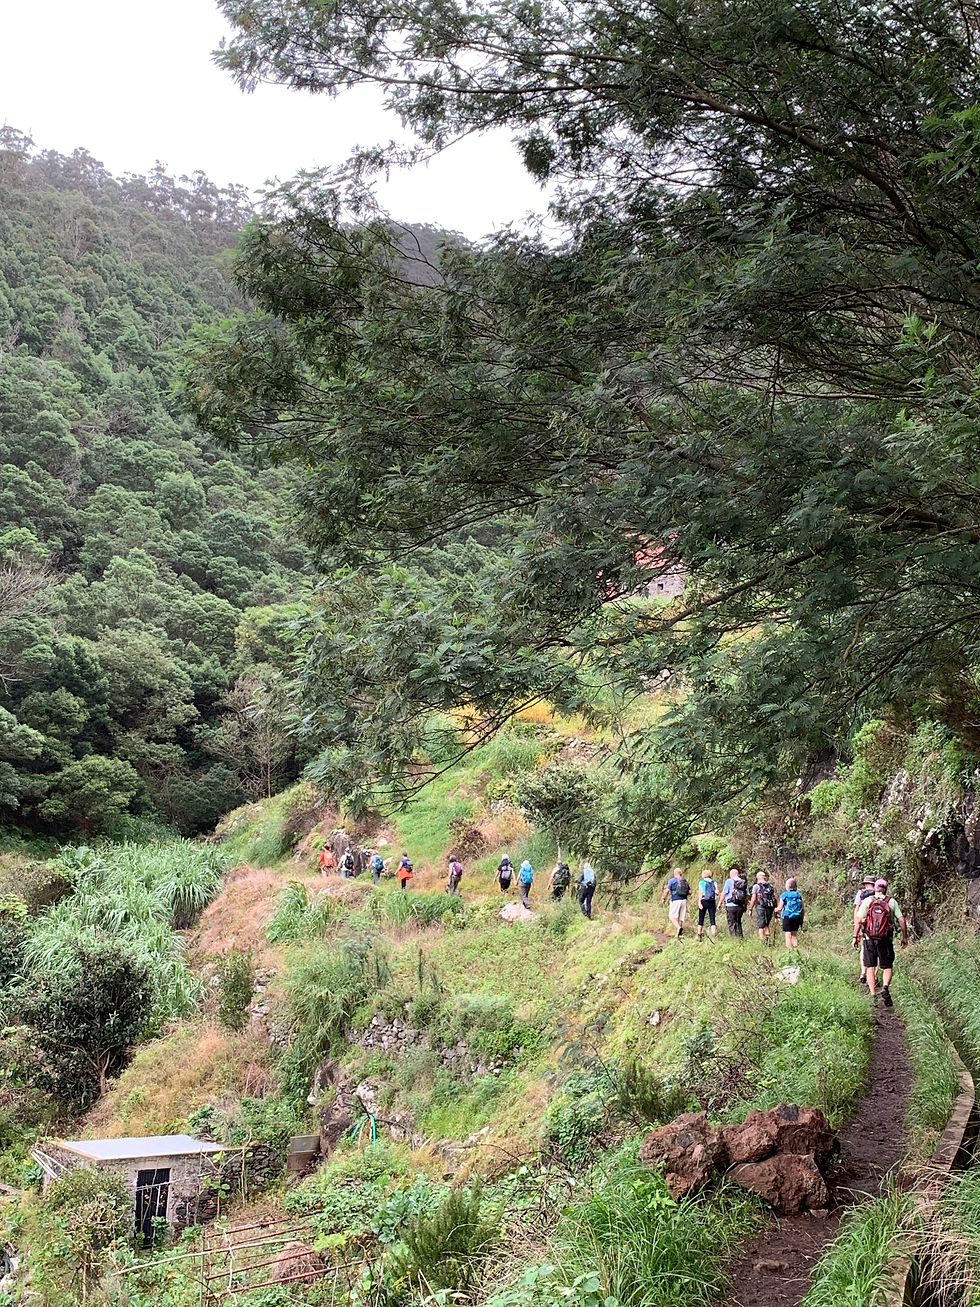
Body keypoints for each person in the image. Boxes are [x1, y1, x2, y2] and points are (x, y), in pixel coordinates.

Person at [853, 878, 908, 1007]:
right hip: (885, 939)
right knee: (887, 966)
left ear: (875, 888)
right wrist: (904, 937)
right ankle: (885, 987)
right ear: (886, 889)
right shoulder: (891, 902)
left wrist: (855, 936)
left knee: (870, 966)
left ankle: (872, 995)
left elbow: (859, 920)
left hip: (869, 939)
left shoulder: (868, 901)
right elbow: (902, 920)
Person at [853, 873, 876, 984]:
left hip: (864, 926)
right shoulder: (878, 894)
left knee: (864, 948)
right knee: (877, 952)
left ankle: (863, 972)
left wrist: (856, 928)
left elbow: (857, 911)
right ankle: (874, 976)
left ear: (865, 884)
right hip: (877, 928)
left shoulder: (861, 893)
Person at [748, 871, 777, 945]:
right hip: (770, 907)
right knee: (766, 924)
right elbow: (774, 898)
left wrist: (750, 909)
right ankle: (767, 941)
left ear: (758, 878)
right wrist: (775, 908)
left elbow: (753, 898)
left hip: (761, 907)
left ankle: (762, 943)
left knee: (761, 926)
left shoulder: (756, 886)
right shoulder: (771, 886)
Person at [661, 866, 691, 938]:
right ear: (681, 873)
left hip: (675, 900)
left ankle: (678, 928)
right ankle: (679, 935)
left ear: (675, 873)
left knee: (672, 916)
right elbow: (690, 892)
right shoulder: (685, 881)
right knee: (681, 917)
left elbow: (667, 891)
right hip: (684, 900)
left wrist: (663, 898)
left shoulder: (672, 881)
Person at [776, 877, 804, 948]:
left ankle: (789, 951)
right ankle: (796, 949)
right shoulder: (798, 895)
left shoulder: (784, 895)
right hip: (797, 916)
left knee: (788, 934)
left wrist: (775, 910)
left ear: (787, 886)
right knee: (794, 934)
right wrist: (801, 918)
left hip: (787, 916)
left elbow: (780, 908)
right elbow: (802, 908)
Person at [721, 867, 748, 938]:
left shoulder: (729, 881)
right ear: (738, 874)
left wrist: (720, 903)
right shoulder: (743, 882)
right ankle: (740, 938)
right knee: (738, 922)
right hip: (740, 906)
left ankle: (733, 939)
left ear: (731, 875)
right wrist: (745, 905)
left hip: (730, 905)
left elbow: (724, 893)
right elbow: (747, 895)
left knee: (731, 923)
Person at [696, 872, 718, 942]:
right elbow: (717, 892)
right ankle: (714, 936)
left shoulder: (702, 882)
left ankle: (699, 936)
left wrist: (699, 902)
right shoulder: (714, 883)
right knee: (712, 919)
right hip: (712, 901)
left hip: (704, 901)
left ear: (703, 875)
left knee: (701, 919)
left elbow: (700, 893)